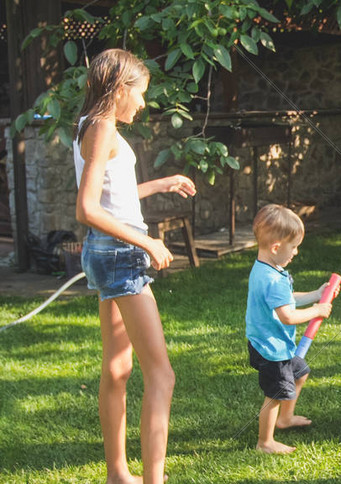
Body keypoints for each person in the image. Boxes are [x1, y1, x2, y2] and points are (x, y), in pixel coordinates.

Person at [75, 49, 197, 484]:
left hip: (103, 252)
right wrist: (146, 240)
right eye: (140, 93)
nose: (143, 104)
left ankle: (117, 475)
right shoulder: (104, 126)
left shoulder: (88, 124)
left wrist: (159, 184)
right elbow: (87, 208)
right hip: (119, 254)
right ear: (120, 88)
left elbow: (113, 196)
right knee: (162, 376)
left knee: (117, 368)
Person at [245, 204, 337, 454]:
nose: (296, 252)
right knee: (274, 394)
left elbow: (287, 299)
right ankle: (265, 442)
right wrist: (316, 311)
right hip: (271, 349)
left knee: (300, 373)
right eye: (293, 247)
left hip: (270, 344)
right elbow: (287, 315)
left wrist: (316, 295)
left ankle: (285, 419)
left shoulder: (267, 269)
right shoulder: (273, 278)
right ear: (276, 247)